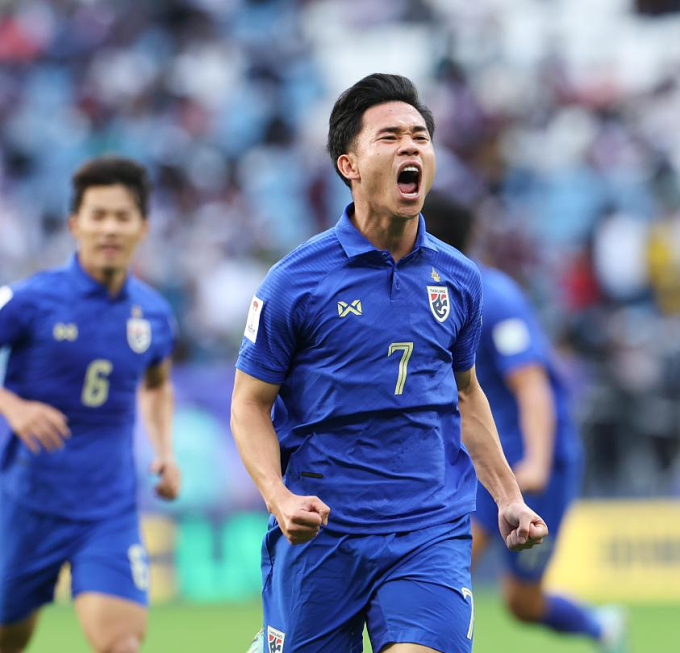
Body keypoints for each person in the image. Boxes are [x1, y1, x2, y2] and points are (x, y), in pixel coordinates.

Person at [231, 73, 548, 653]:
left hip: (428, 528)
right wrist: (279, 497)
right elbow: (248, 404)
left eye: (420, 136)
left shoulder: (459, 278)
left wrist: (508, 497)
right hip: (323, 530)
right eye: (390, 137)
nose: (411, 147)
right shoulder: (294, 282)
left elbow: (466, 393)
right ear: (349, 165)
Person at [423, 193, 629, 653]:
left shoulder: (493, 297)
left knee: (517, 600)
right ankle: (601, 627)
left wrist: (535, 461)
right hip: (479, 459)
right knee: (443, 570)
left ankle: (600, 627)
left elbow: (531, 385)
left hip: (530, 463)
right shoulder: (420, 297)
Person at [0, 155, 180, 653]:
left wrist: (164, 450)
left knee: (120, 643)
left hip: (107, 509)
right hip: (25, 501)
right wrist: (13, 406)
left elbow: (156, 384)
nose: (110, 228)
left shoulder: (153, 314)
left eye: (122, 216)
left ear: (143, 227)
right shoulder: (32, 299)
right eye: (98, 215)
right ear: (74, 224)